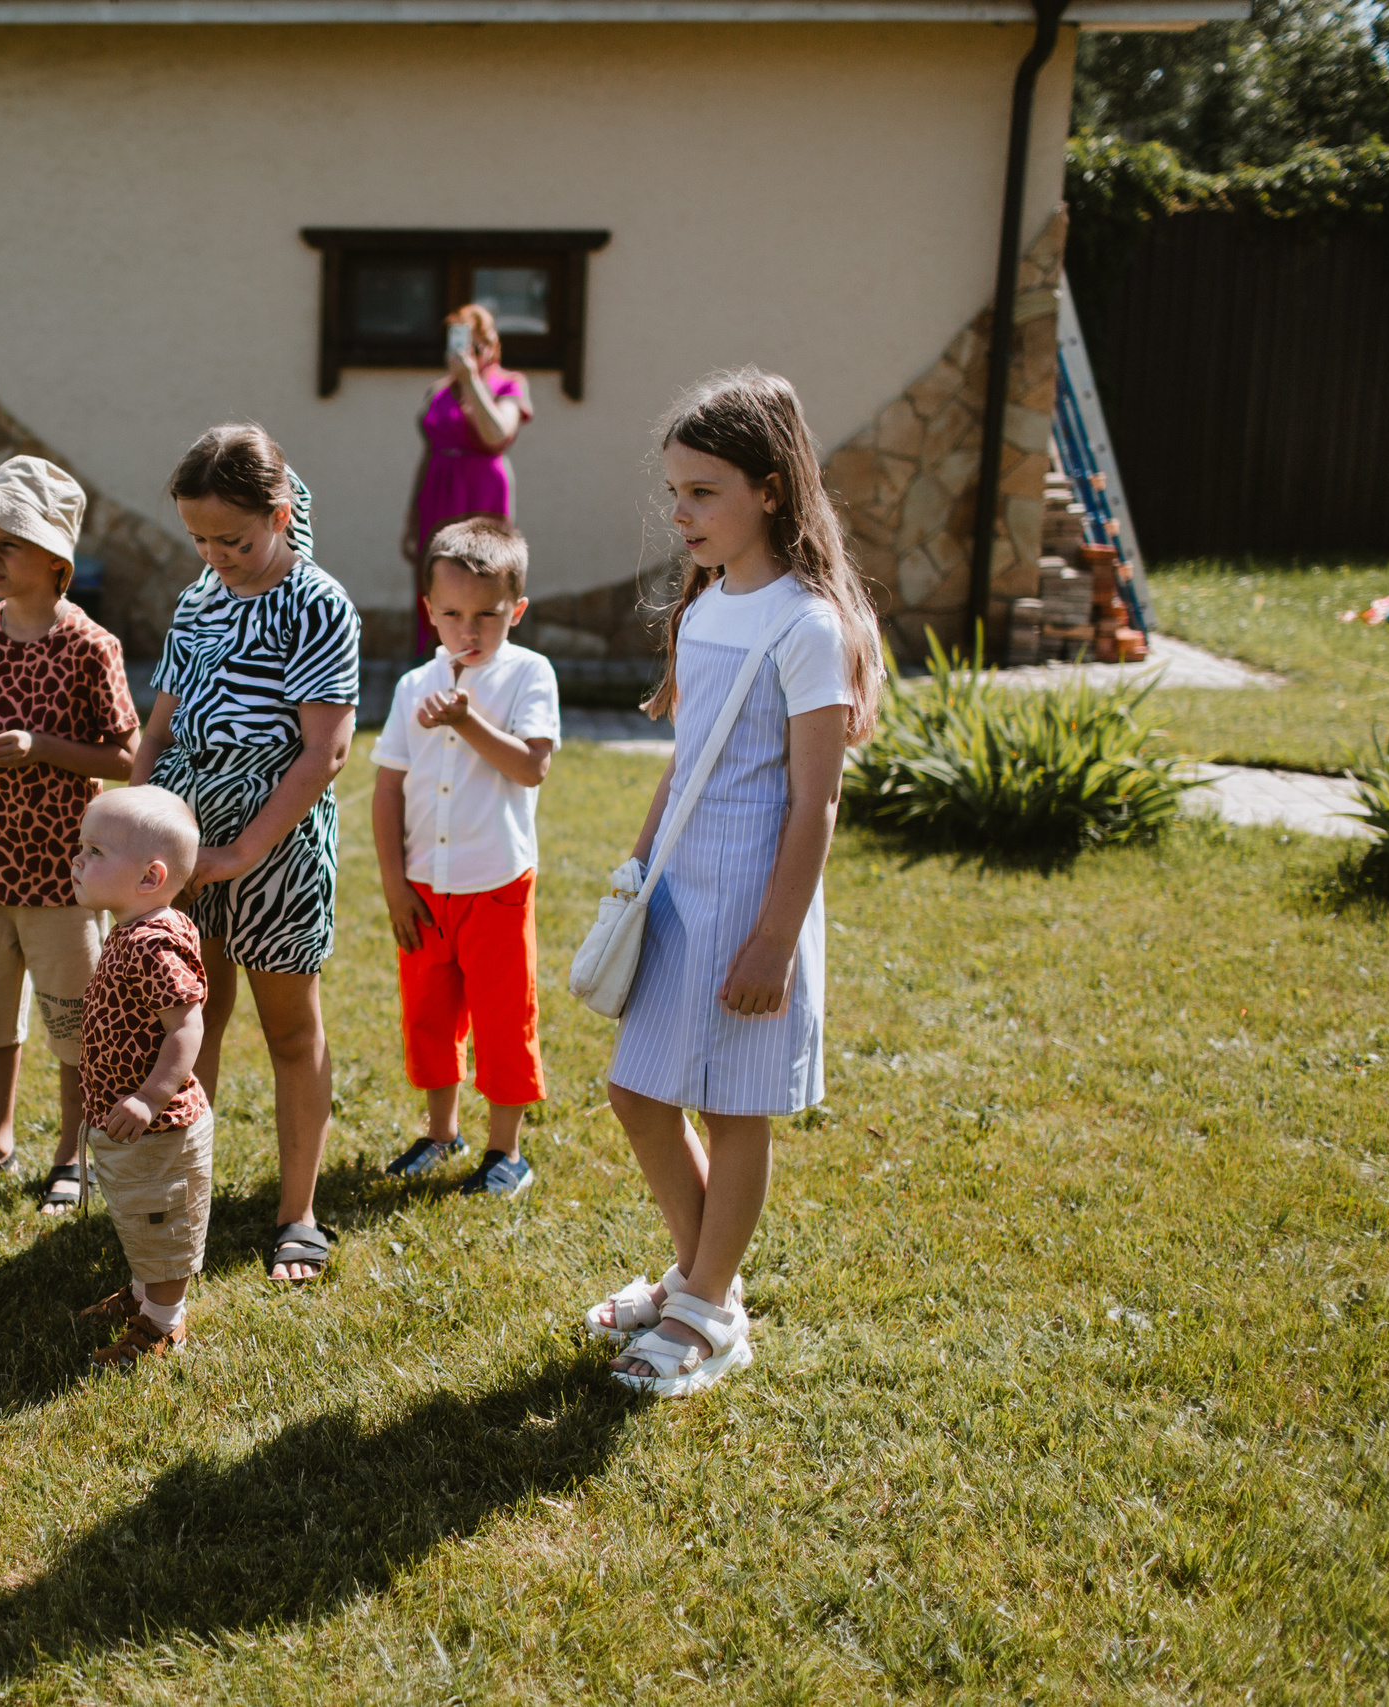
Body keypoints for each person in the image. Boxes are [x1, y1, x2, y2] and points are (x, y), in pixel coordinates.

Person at [583, 368, 883, 1398]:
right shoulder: (709, 605)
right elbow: (685, 760)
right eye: (675, 491)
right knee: (636, 1091)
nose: (680, 513)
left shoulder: (807, 625)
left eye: (703, 492)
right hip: (678, 895)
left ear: (769, 489)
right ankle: (699, 1279)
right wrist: (636, 871)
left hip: (754, 904)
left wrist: (773, 940)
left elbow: (815, 799)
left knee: (730, 1109)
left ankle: (707, 1310)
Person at [131, 424, 360, 1283]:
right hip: (184, 847)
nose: (216, 556)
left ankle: (297, 1214)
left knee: (290, 1028)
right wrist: (141, 820)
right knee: (193, 1016)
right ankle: (187, 1192)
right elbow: (160, 726)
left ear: (280, 513)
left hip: (277, 852)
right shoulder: (199, 598)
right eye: (199, 538)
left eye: (233, 539)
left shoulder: (318, 604)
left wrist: (242, 851)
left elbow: (325, 752)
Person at [0, 455, 138, 1216]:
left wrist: (41, 747)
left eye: (7, 544)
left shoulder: (90, 646)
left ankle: (72, 1155)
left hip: (63, 872)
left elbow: (125, 756)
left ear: (55, 561)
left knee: (75, 1023)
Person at [371, 517, 559, 1198]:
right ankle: (441, 1131)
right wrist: (395, 885)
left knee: (504, 1018)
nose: (467, 630)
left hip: (495, 882)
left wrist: (465, 720)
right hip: (424, 886)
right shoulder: (411, 685)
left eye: (487, 615)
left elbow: (531, 766)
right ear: (429, 610)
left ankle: (505, 1150)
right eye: (451, 614)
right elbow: (387, 788)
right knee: (428, 1015)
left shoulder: (528, 673)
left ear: (517, 610)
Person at [65, 785, 212, 1365]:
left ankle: (163, 1324)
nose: (77, 859)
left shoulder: (152, 945)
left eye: (95, 851)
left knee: (163, 1223)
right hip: (135, 1124)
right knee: (140, 1218)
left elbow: (187, 1028)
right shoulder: (134, 926)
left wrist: (151, 1097)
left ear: (150, 877)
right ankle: (143, 1294)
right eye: (82, 847)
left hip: (159, 1128)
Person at [399, 303, 532, 658]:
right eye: (458, 341)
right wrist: (412, 515)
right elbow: (428, 450)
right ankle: (431, 660)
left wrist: (472, 380)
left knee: (484, 571)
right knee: (435, 573)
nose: (467, 352)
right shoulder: (438, 390)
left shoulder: (509, 384)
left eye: (475, 343)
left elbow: (497, 435)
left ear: (491, 344)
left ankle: (483, 656)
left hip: (482, 490)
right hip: (438, 489)